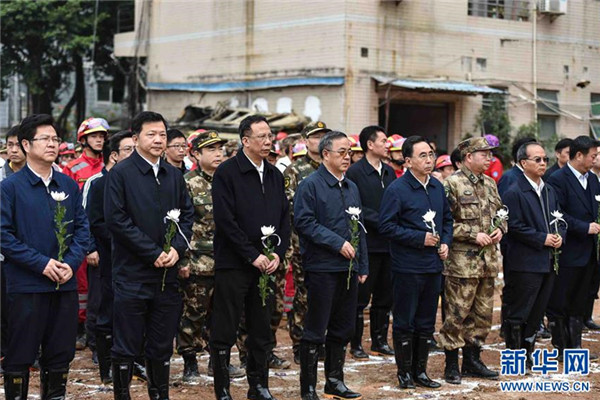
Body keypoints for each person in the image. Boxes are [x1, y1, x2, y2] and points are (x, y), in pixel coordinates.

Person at [105, 111, 194, 399]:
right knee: (127, 344)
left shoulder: (173, 175)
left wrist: (176, 249)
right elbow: (117, 220)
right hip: (132, 275)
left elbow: (187, 216)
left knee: (161, 344)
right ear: (135, 138)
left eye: (162, 135)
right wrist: (152, 252)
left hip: (167, 275)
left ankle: (159, 394)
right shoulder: (121, 174)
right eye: (151, 134)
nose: (158, 140)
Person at [1, 114, 90, 399]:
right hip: (26, 286)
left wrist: (71, 263)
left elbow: (83, 230)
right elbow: (4, 236)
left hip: (64, 284)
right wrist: (41, 263)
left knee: (60, 353)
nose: (52, 144)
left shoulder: (67, 185)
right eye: (45, 139)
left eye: (55, 139)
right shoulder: (10, 188)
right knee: (20, 354)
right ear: (26, 145)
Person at [209, 115, 290, 400]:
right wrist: (251, 254)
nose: (268, 141)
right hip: (234, 263)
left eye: (270, 136)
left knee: (261, 328)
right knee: (225, 328)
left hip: (266, 265)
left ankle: (258, 386)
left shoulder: (274, 174)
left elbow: (284, 218)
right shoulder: (227, 172)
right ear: (245, 140)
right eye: (262, 137)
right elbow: (225, 220)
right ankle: (222, 390)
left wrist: (277, 252)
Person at [294, 131, 368, 400]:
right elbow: (304, 222)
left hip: (348, 269)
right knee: (316, 328)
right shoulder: (310, 185)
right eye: (342, 152)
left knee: (343, 327)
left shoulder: (351, 187)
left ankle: (334, 381)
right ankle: (308, 388)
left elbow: (359, 228)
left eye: (350, 152)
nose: (348, 157)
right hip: (322, 267)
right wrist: (337, 243)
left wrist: (362, 264)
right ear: (326, 154)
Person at [379, 135, 453, 389]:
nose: (429, 160)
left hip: (433, 265)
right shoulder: (397, 189)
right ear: (408, 161)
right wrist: (419, 238)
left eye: (431, 154)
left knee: (426, 322)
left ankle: (420, 371)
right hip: (407, 266)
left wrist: (445, 241)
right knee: (405, 321)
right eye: (423, 155)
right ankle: (404, 373)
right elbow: (386, 226)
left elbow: (447, 220)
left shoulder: (437, 187)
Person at [175, 130, 244, 382]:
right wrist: (183, 260)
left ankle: (219, 362)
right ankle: (190, 363)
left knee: (224, 315)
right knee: (194, 314)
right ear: (196, 154)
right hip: (198, 261)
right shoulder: (186, 183)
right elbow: (178, 225)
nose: (218, 154)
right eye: (211, 149)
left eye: (220, 149)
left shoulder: (229, 180)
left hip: (228, 260)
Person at [440, 137, 506, 385]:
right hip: (462, 264)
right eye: (484, 154)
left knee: (482, 315)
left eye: (490, 154)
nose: (489, 158)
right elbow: (444, 223)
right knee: (457, 315)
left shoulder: (490, 183)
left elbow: (501, 213)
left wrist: (501, 229)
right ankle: (451, 364)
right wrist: (471, 234)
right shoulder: (452, 183)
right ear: (468, 157)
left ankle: (472, 360)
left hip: (487, 262)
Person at [502, 142, 565, 369]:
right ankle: (514, 355)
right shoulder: (514, 191)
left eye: (545, 159)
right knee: (519, 311)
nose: (543, 163)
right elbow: (513, 226)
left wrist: (559, 236)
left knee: (538, 312)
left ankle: (527, 353)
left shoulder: (548, 190)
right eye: (537, 159)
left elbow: (559, 219)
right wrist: (541, 238)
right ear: (523, 163)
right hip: (525, 262)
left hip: (548, 260)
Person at [86, 131, 136, 385]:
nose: (133, 154)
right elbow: (95, 222)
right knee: (106, 311)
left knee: (133, 312)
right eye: (128, 150)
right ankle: (105, 365)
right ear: (114, 155)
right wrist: (124, 240)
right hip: (110, 258)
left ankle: (132, 362)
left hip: (136, 259)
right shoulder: (99, 184)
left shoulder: (138, 182)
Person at [546, 136, 600, 359]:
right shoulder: (558, 179)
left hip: (589, 252)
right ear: (579, 155)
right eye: (593, 156)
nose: (595, 160)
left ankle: (575, 345)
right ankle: (561, 346)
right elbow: (557, 214)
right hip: (567, 251)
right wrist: (584, 227)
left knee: (581, 299)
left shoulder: (593, 180)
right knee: (561, 299)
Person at [345, 126, 396, 360]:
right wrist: (382, 220)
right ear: (370, 144)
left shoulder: (389, 171)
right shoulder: (355, 172)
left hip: (389, 243)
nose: (388, 145)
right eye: (383, 141)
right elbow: (353, 207)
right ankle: (355, 343)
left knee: (385, 297)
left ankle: (379, 340)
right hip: (367, 243)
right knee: (360, 297)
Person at [282, 121, 330, 364]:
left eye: (324, 136)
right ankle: (300, 343)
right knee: (303, 294)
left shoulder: (332, 168)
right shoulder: (294, 171)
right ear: (305, 141)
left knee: (324, 294)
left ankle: (319, 340)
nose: (320, 141)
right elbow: (288, 208)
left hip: (328, 243)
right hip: (303, 242)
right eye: (315, 137)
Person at [63, 117, 108, 352]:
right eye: (94, 136)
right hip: (79, 236)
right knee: (80, 283)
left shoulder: (107, 167)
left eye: (102, 136)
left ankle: (97, 332)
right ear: (83, 140)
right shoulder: (72, 168)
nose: (99, 140)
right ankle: (79, 328)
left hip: (102, 235)